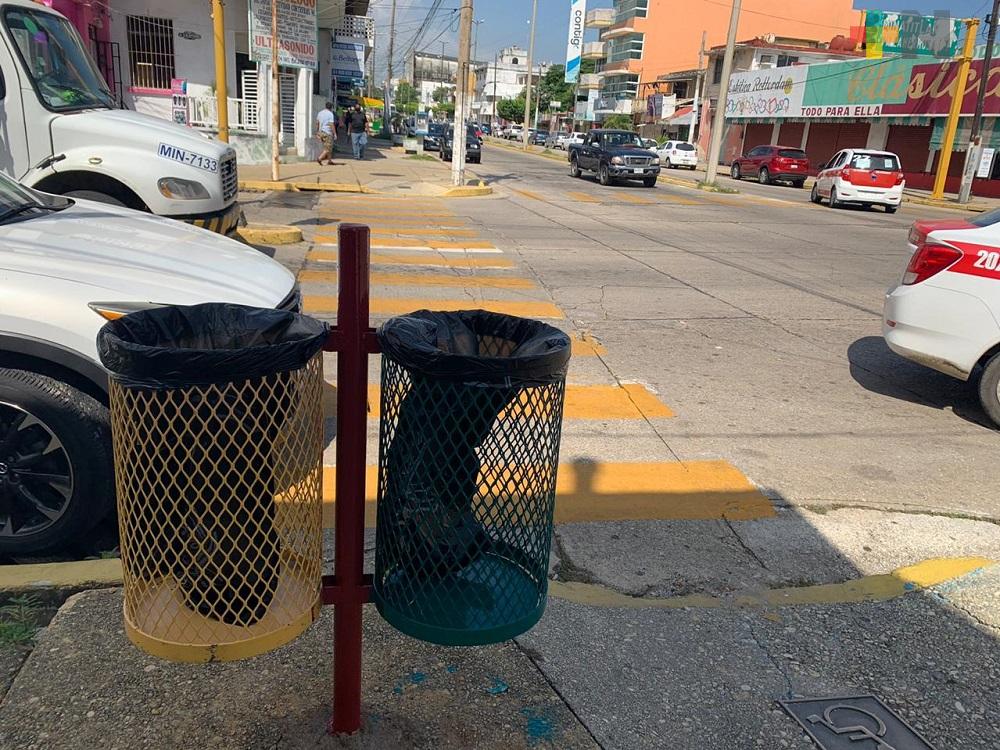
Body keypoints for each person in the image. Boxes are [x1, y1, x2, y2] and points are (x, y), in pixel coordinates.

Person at [315, 101, 336, 166]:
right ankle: (319, 158)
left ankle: (329, 160)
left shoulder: (320, 113)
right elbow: (331, 124)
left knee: (328, 147)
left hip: (321, 132)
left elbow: (317, 123)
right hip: (328, 133)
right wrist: (335, 133)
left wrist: (317, 132)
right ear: (331, 107)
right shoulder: (330, 114)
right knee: (328, 148)